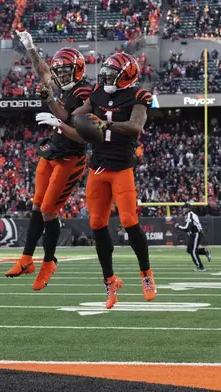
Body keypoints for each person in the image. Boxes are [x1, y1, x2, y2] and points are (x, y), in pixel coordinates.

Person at [44, 51, 157, 309]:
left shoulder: (138, 97)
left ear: (126, 76)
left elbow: (135, 127)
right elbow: (74, 115)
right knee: (96, 224)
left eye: (111, 73)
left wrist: (106, 126)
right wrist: (56, 106)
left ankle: (146, 275)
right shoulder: (97, 92)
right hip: (98, 168)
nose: (105, 76)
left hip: (121, 167)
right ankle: (110, 281)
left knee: (129, 222)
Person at [6, 31, 91, 291]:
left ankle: (48, 263)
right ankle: (26, 259)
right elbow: (43, 70)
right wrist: (31, 47)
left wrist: (50, 100)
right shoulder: (59, 80)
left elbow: (66, 116)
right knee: (36, 206)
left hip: (71, 157)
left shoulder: (86, 92)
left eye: (65, 71)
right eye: (59, 71)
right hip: (53, 149)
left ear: (77, 71)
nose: (59, 75)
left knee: (48, 211)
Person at [176, 203, 210, 271]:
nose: (183, 209)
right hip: (194, 234)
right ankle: (204, 252)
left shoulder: (189, 215)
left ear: (188, 209)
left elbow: (187, 228)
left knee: (193, 251)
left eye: (184, 208)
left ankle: (200, 267)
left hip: (196, 234)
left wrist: (178, 226)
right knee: (189, 250)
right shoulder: (190, 214)